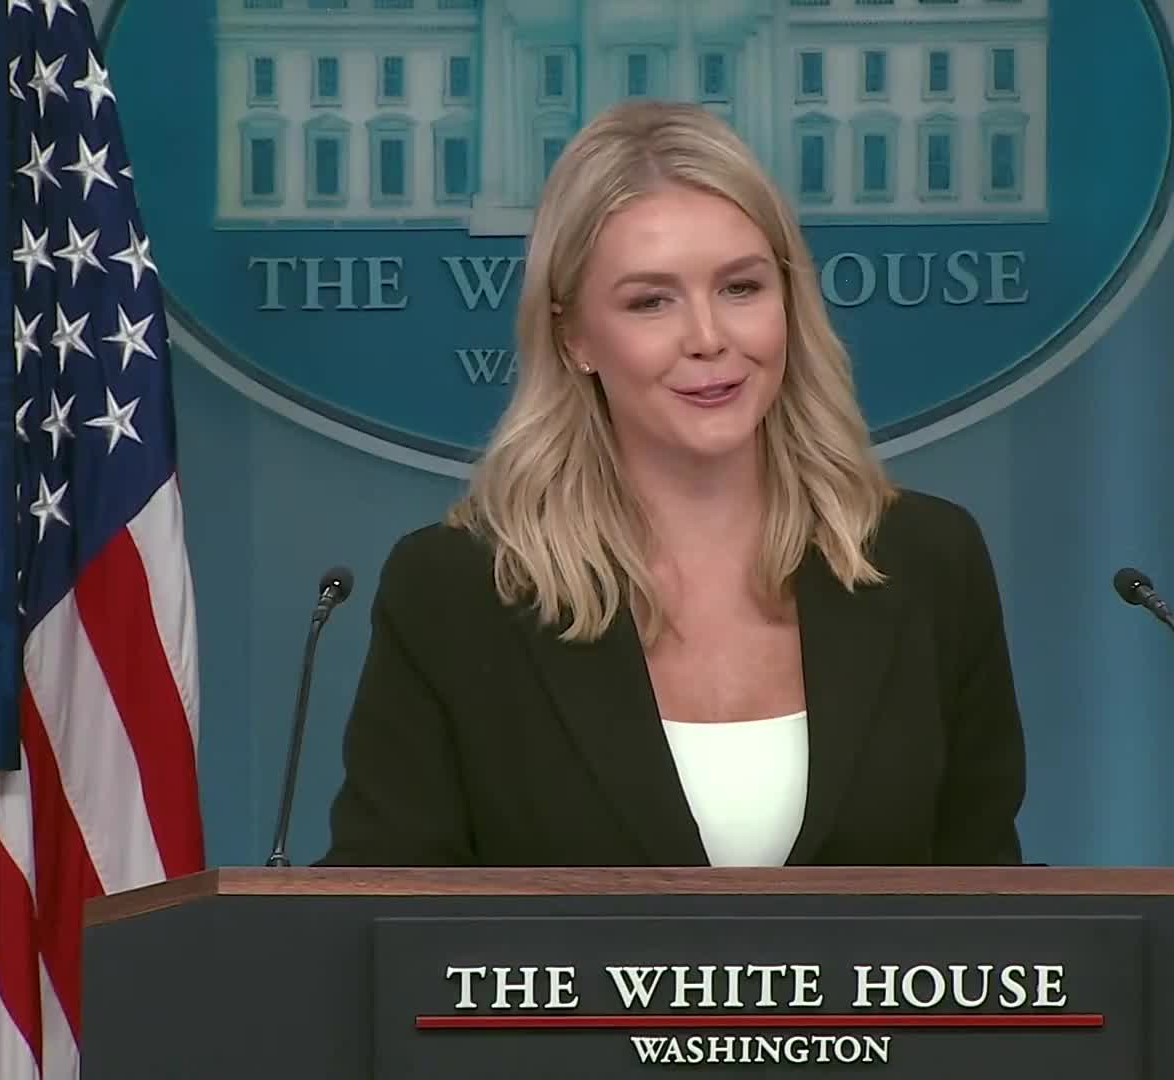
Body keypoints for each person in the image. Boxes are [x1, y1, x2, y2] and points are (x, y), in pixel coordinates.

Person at [317, 100, 1025, 869]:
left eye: (741, 288)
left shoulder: (928, 562)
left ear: (789, 303)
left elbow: (989, 895)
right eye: (651, 301)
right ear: (573, 335)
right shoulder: (456, 592)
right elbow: (379, 905)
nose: (708, 339)